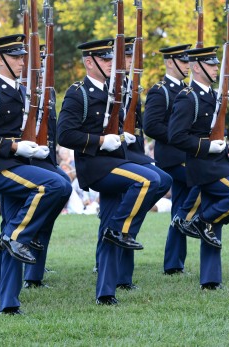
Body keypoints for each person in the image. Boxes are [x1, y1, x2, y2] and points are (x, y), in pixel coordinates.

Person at [0, 34, 70, 314]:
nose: (22, 61)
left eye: (23, 56)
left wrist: (33, 147)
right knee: (55, 186)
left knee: (13, 225)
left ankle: (8, 300)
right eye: (15, 57)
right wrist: (14, 146)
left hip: (20, 164)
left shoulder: (22, 92)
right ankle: (18, 236)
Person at [57, 38, 162, 305]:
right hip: (96, 165)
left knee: (157, 183)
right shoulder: (78, 92)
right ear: (90, 62)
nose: (112, 64)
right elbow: (65, 134)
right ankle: (119, 229)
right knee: (149, 180)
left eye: (112, 59)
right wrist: (101, 141)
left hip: (119, 160)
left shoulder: (116, 90)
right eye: (106, 60)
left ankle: (106, 291)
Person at [168, 46, 229, 290]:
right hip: (204, 166)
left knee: (214, 220)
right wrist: (207, 146)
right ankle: (201, 221)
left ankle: (210, 279)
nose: (216, 68)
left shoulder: (214, 95)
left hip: (218, 163)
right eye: (211, 65)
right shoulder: (188, 97)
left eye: (216, 64)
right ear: (197, 67)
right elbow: (176, 136)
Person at [117, 39, 172, 289]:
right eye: (125, 56)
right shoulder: (113, 86)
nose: (130, 61)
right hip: (116, 153)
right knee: (117, 213)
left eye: (132, 56)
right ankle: (117, 272)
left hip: (135, 151)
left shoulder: (130, 84)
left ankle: (131, 225)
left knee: (163, 181)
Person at [144, 44, 203, 276]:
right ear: (170, 63)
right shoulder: (160, 90)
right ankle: (184, 221)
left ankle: (173, 264)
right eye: (183, 61)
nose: (188, 65)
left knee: (179, 205)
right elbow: (151, 125)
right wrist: (179, 136)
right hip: (173, 156)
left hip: (187, 154)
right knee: (203, 181)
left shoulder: (189, 90)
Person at [23, 45, 73, 289]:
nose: (41, 69)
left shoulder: (49, 92)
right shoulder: (24, 89)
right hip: (27, 159)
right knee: (57, 188)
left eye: (44, 64)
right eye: (38, 64)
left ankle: (34, 275)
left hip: (46, 160)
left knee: (64, 189)